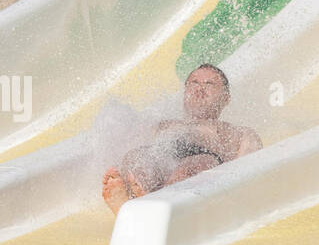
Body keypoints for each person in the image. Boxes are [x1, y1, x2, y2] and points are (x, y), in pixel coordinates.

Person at [101, 64, 262, 213]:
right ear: (185, 93)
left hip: (205, 160)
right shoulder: (163, 125)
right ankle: (139, 202)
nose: (200, 88)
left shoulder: (239, 133)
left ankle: (150, 207)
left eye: (209, 84)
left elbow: (248, 176)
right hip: (164, 156)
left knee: (192, 166)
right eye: (194, 82)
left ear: (226, 98)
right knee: (137, 159)